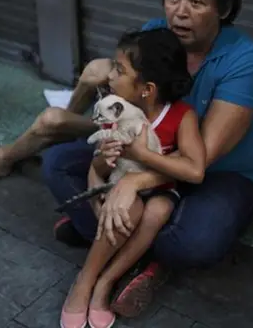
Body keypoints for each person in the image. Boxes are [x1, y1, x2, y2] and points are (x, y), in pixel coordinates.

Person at [0, 0, 253, 318]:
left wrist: (130, 184)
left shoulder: (241, 57)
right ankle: (136, 247)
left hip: (216, 175)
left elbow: (202, 159)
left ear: (224, 7)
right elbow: (123, 106)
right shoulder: (154, 35)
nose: (179, 13)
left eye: (196, 2)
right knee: (57, 164)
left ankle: (121, 244)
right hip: (145, 156)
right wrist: (103, 161)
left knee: (198, 242)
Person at [60, 28, 205, 328]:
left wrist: (142, 155)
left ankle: (105, 283)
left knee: (158, 210)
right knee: (127, 209)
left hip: (159, 187)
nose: (110, 76)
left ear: (146, 89)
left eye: (119, 70)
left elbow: (195, 170)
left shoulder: (182, 116)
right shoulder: (117, 111)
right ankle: (84, 282)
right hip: (119, 186)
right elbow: (99, 166)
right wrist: (97, 181)